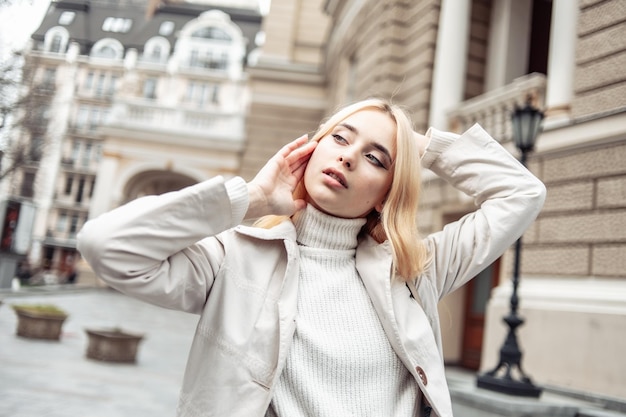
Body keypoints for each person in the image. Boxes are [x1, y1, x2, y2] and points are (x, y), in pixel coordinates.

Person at [77, 98, 546, 417]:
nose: (347, 157)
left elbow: (522, 194)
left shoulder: (413, 272)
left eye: (376, 159)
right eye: (341, 138)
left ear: (388, 193)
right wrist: (256, 198)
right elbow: (107, 246)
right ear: (313, 147)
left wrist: (420, 146)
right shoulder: (232, 258)